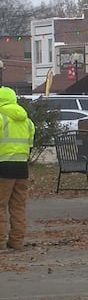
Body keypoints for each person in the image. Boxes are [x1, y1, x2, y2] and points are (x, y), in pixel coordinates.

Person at [0, 87, 35, 251]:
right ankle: (16, 242)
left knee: (0, 206)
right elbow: (30, 144)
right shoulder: (26, 120)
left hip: (3, 167)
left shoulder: (1, 117)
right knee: (18, 207)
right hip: (22, 168)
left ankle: (0, 242)